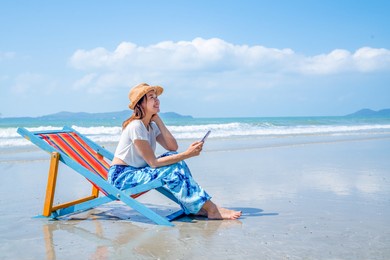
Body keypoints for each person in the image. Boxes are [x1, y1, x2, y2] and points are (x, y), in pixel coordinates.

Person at [108, 83, 242, 220]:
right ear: (140, 104)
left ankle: (195, 207)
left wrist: (159, 122)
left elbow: (172, 148)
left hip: (136, 173)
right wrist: (188, 154)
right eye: (151, 97)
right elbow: (153, 163)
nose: (157, 100)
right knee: (173, 167)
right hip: (122, 179)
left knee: (174, 157)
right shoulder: (136, 126)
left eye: (156, 97)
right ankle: (211, 209)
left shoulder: (150, 126)